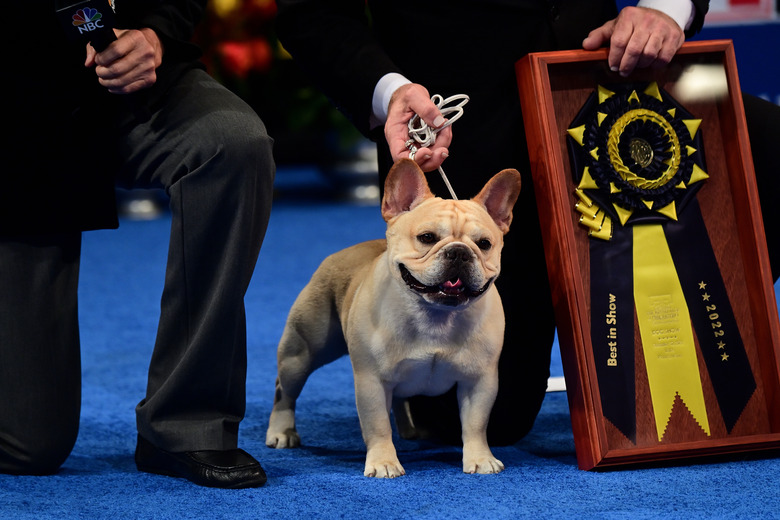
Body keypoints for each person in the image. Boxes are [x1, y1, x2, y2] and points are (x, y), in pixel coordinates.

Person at [274, 0, 780, 446]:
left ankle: (705, 357)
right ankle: (413, 394)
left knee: (769, 144)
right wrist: (390, 90)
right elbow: (312, 12)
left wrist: (666, 9)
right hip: (457, 127)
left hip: (610, 88)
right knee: (492, 420)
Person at [0, 1, 274, 488]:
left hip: (125, 84)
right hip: (15, 102)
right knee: (29, 444)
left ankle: (186, 423)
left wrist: (155, 33)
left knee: (230, 141)